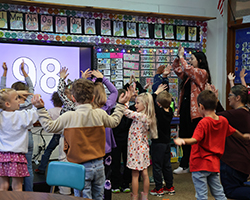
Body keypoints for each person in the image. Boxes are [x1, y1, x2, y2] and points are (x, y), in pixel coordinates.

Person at [31, 78, 130, 200]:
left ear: (73, 98)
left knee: (83, 197)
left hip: (80, 168)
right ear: (93, 98)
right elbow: (114, 122)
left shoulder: (68, 116)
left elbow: (49, 127)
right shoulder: (100, 113)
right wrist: (120, 105)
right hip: (99, 165)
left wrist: (41, 109)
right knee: (99, 197)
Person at [174, 90, 250, 200]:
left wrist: (183, 140)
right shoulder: (223, 120)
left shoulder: (204, 122)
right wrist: (244, 137)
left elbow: (195, 139)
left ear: (201, 106)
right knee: (219, 193)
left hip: (200, 164)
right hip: (214, 164)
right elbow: (235, 132)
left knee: (202, 195)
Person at [172, 45, 211, 174]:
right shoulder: (189, 75)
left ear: (199, 61)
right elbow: (178, 70)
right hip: (185, 110)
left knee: (195, 139)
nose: (190, 61)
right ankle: (185, 164)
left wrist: (183, 57)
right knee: (184, 136)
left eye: (192, 59)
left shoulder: (202, 73)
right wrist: (179, 57)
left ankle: (195, 164)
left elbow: (188, 69)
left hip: (195, 113)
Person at [1, 61, 35, 191]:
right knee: (28, 169)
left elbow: (2, 91)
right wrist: (24, 72)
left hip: (8, 147)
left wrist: (5, 72)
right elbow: (31, 89)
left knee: (5, 178)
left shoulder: (6, 109)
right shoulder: (26, 105)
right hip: (26, 139)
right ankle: (30, 193)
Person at [111, 76, 146, 194]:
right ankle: (115, 184)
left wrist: (134, 83)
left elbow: (144, 97)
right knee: (115, 163)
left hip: (128, 141)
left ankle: (125, 183)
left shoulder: (131, 109)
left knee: (128, 163)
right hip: (115, 140)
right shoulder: (115, 110)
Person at [215, 84, 250, 199]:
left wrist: (209, 100)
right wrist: (216, 100)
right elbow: (224, 117)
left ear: (238, 97)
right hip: (242, 160)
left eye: (230, 95)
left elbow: (215, 117)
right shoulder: (244, 113)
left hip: (233, 162)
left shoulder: (238, 114)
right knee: (236, 186)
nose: (229, 97)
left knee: (230, 191)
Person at [90, 69, 118, 200]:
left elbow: (79, 94)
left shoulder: (87, 108)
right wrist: (103, 79)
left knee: (91, 177)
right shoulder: (107, 106)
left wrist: (87, 80)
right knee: (107, 177)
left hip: (91, 149)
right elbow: (115, 91)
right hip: (106, 149)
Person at [124, 92, 157, 200]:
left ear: (146, 104)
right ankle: (144, 196)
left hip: (136, 150)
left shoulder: (140, 116)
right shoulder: (147, 116)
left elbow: (126, 112)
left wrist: (125, 101)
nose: (136, 105)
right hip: (143, 149)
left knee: (135, 175)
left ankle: (134, 196)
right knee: (145, 173)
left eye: (138, 103)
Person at [150, 84, 175, 197]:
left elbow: (150, 101)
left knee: (157, 166)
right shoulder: (170, 111)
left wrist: (156, 92)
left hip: (157, 143)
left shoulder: (159, 112)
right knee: (167, 166)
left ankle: (158, 188)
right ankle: (169, 187)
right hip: (166, 143)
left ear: (158, 104)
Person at [34, 92, 63, 175]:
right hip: (65, 135)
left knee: (48, 151)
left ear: (53, 101)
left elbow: (45, 121)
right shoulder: (65, 111)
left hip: (56, 135)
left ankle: (42, 168)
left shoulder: (50, 111)